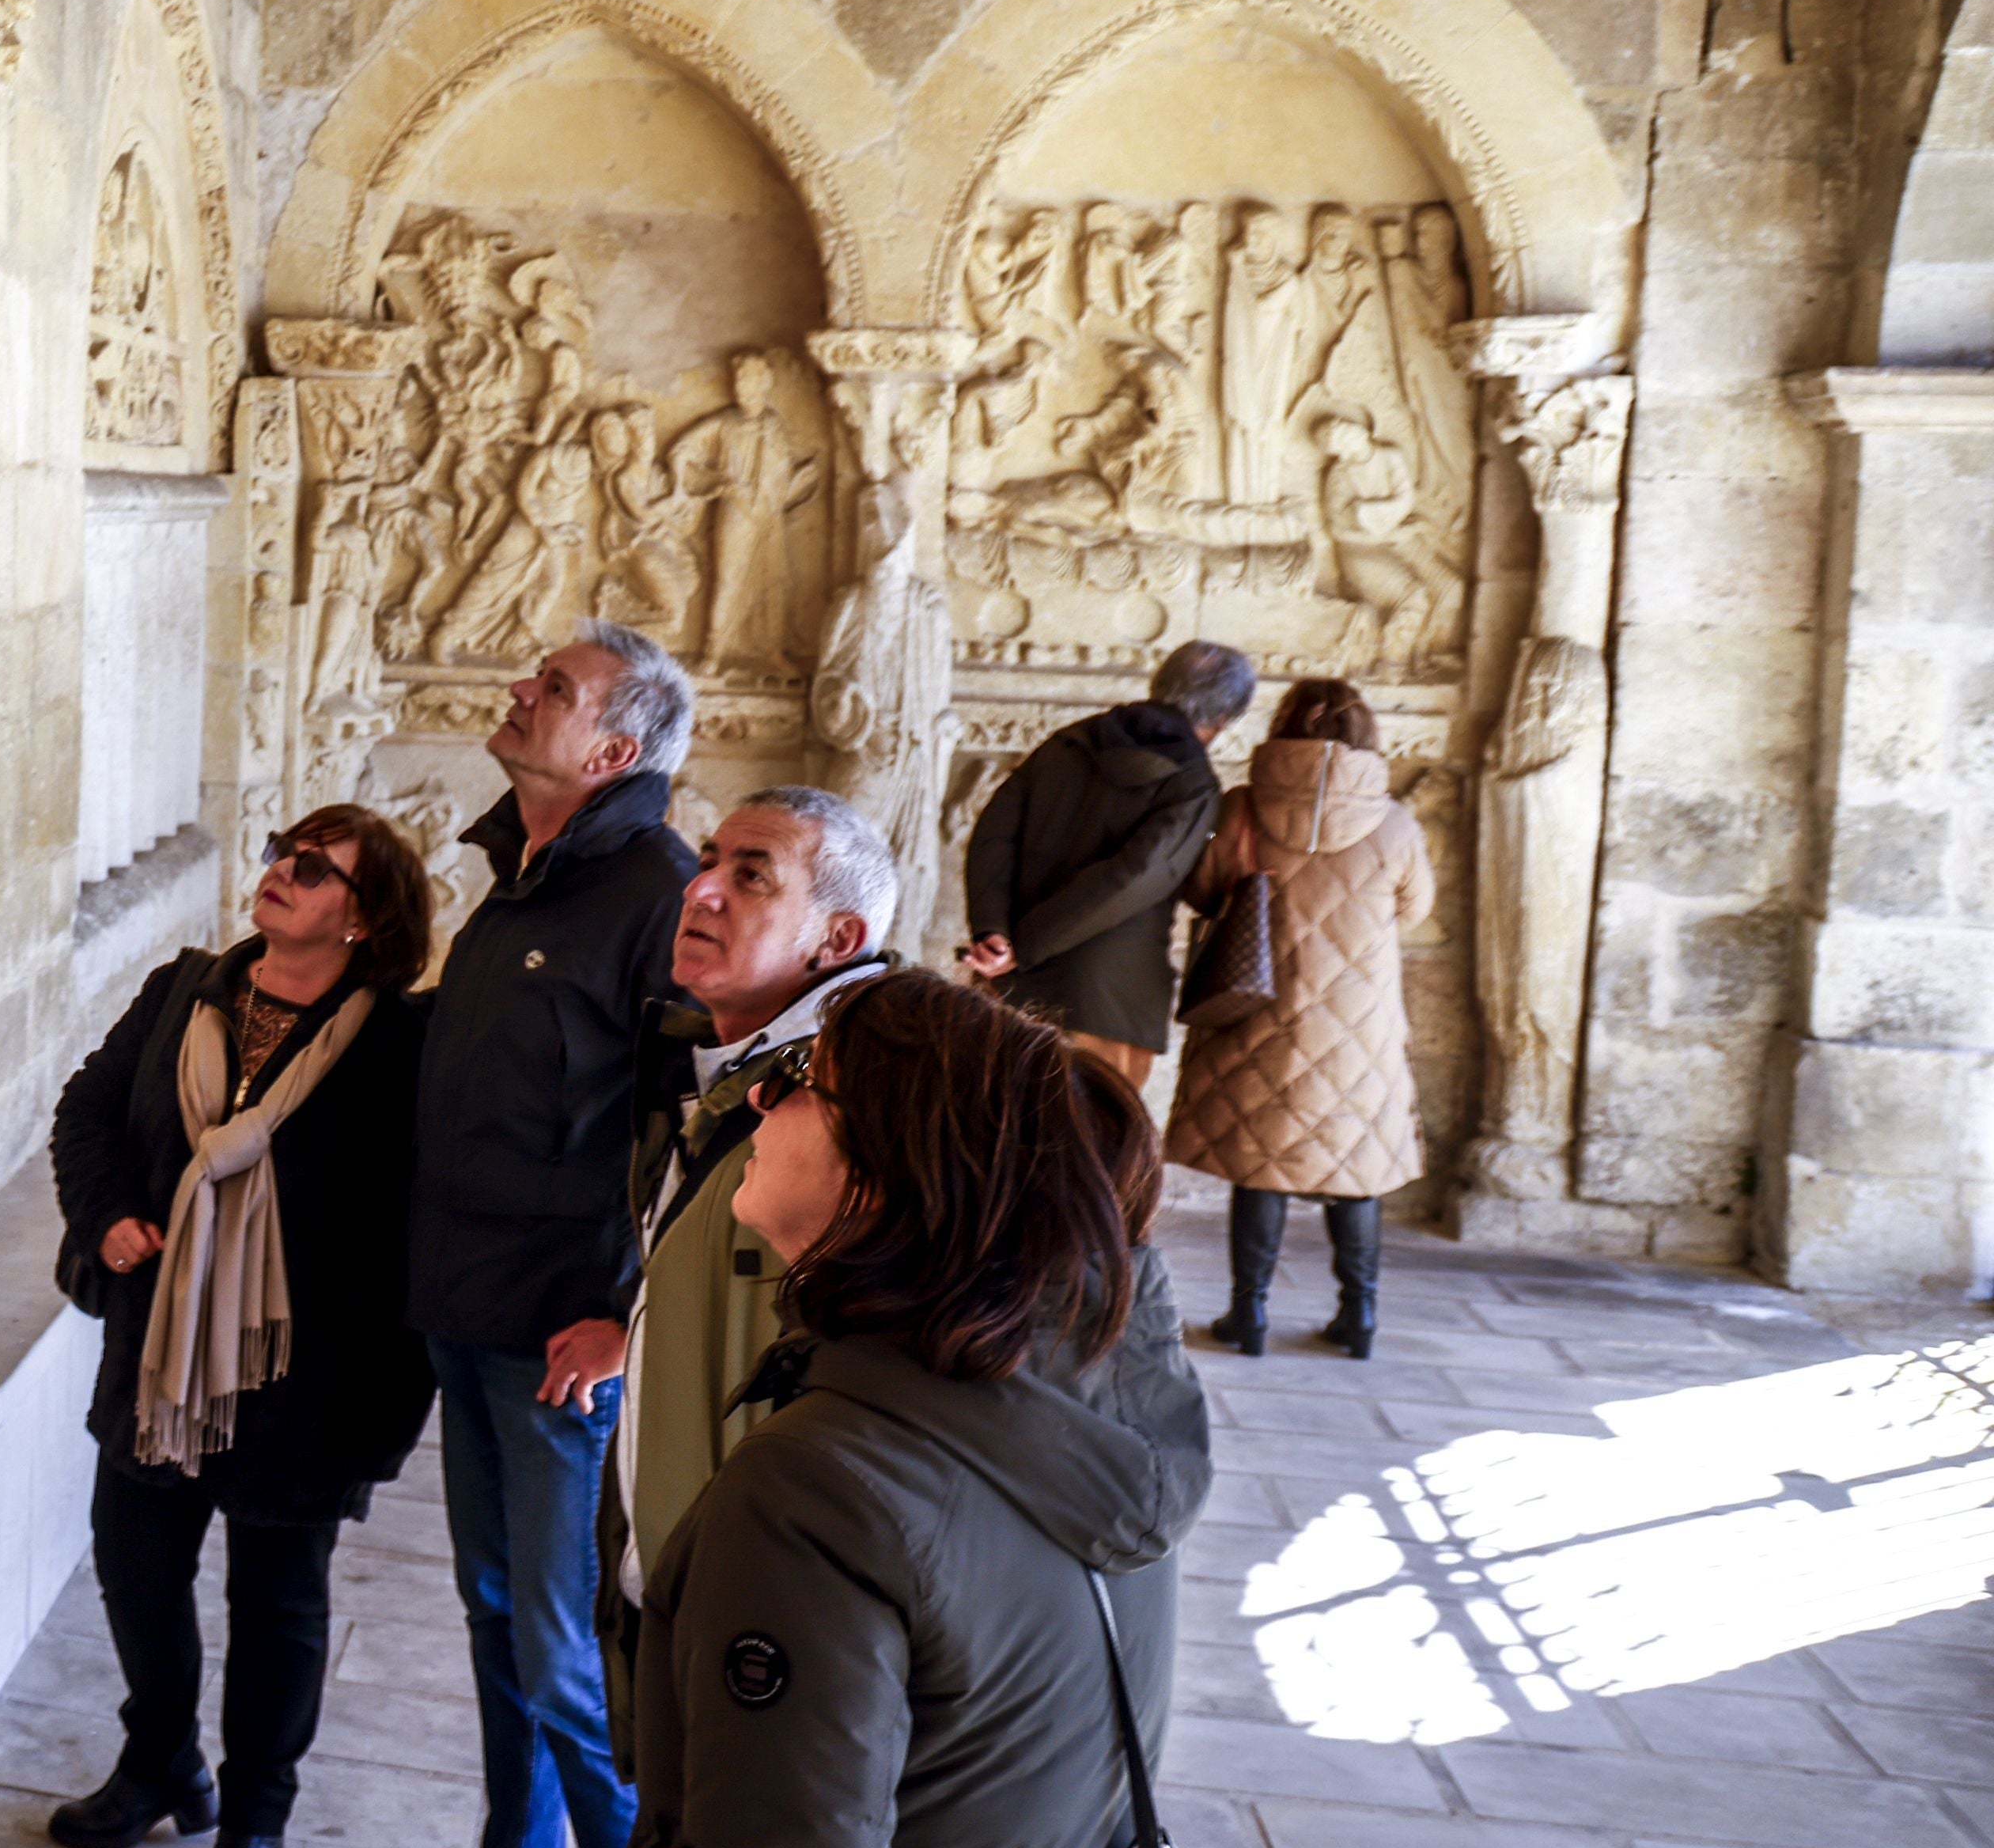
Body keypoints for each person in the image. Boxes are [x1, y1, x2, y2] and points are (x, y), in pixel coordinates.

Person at [521, 973, 1213, 1848]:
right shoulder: (1080, 1416)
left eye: (804, 1085)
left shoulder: (822, 1494)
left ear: (882, 1176)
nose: (763, 1106)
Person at [361, 626, 700, 1848]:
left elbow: (691, 1129)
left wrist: (624, 1311)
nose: (518, 693)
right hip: (468, 1303)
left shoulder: (655, 894)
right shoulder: (520, 875)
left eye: (550, 691)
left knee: (565, 1652)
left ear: (611, 749)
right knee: (495, 1609)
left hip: (565, 1333)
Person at [47, 808, 437, 1848]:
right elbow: (87, 1108)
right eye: (281, 852)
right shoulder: (188, 991)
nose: (279, 875)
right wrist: (111, 1212)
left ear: (361, 919)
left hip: (299, 1377)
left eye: (313, 870)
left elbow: (407, 1219)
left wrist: (387, 1394)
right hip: (159, 1355)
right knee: (134, 1571)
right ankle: (163, 1764)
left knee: (275, 1607)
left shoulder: (398, 1045)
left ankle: (256, 1821)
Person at [592, 788, 899, 1724]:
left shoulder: (856, 1113)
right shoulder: (714, 1069)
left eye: (751, 874)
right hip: (679, 1584)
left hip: (764, 1639)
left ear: (835, 938)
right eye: (711, 858)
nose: (702, 889)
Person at [1169, 679, 1432, 1359]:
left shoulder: (1241, 812)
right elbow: (1417, 909)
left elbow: (1201, 890)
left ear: (1282, 729)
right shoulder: (1396, 824)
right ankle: (1359, 1318)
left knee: (1261, 1163)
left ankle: (1248, 1315)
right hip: (1358, 1025)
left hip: (1260, 1012)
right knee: (1357, 1167)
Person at [959, 638, 1254, 1093]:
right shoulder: (1194, 786)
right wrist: (1025, 945)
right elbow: (1131, 880)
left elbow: (994, 835)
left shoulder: (1070, 741)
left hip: (1007, 992)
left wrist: (994, 934)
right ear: (1223, 720)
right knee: (1088, 1156)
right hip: (1107, 1007)